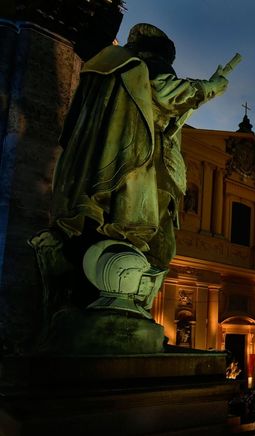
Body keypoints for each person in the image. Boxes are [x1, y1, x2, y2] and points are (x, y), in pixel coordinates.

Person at [48, 23, 229, 313]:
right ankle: (128, 311)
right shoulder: (140, 66)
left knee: (103, 236)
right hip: (142, 164)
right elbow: (167, 94)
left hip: (100, 170)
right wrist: (211, 87)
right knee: (151, 243)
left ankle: (92, 303)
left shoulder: (105, 68)